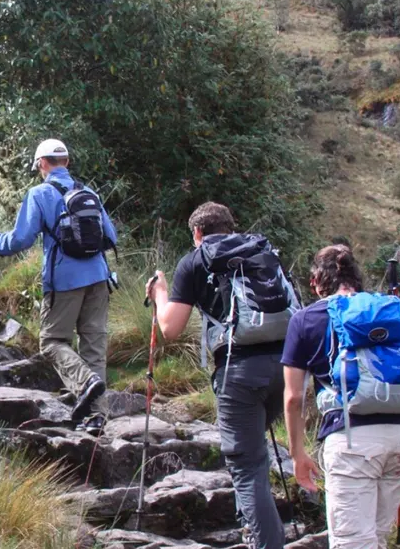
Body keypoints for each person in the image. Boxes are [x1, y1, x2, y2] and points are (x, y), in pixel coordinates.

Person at [147, 202, 298, 549]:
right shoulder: (262, 250)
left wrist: (160, 294)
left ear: (197, 233)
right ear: (231, 227)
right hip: (287, 366)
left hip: (240, 371)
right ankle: (252, 525)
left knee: (247, 466)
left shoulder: (196, 260)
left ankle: (265, 542)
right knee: (253, 450)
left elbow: (170, 327)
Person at [283, 245, 400, 549]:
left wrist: (297, 454)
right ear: (357, 278)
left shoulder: (306, 320)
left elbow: (293, 398)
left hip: (351, 441)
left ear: (315, 282)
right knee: (376, 540)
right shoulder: (391, 311)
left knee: (353, 543)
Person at [0, 139, 117, 424]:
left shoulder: (40, 193)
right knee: (93, 344)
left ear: (42, 164)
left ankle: (85, 382)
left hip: (64, 280)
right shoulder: (89, 192)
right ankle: (97, 417)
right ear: (66, 161)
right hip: (99, 277)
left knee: (52, 341)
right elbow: (112, 237)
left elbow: (20, 239)